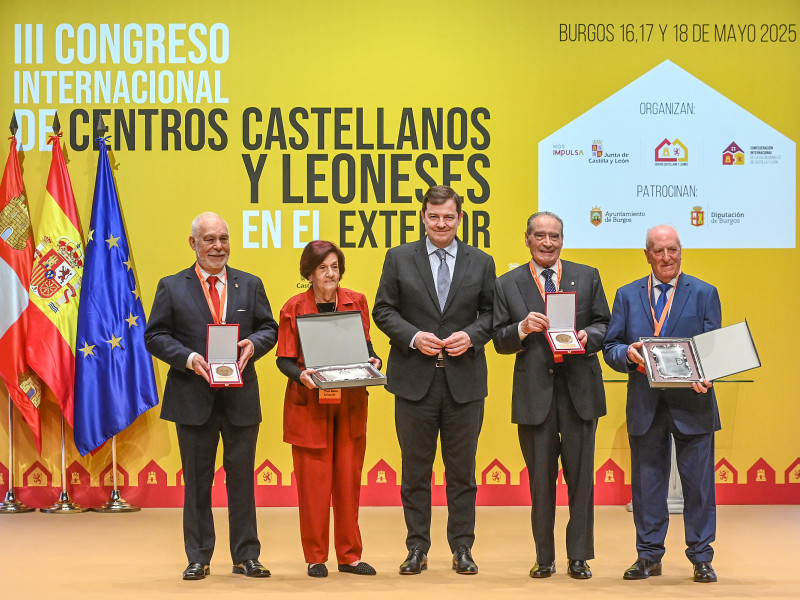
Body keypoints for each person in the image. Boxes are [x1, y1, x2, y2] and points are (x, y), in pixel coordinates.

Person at [145, 212, 278, 581]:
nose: (218, 246)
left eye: (223, 238)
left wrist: (253, 343)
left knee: (242, 482)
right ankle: (198, 557)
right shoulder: (171, 286)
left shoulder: (250, 284)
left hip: (240, 401)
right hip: (192, 399)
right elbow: (154, 336)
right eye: (209, 239)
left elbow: (270, 328)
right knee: (197, 483)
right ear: (193, 244)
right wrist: (188, 358)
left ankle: (246, 556)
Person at [373, 185, 495, 575]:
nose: (441, 223)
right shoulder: (398, 258)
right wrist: (412, 336)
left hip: (464, 383)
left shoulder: (482, 261)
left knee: (462, 472)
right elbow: (383, 310)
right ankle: (416, 548)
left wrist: (472, 336)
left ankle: (462, 548)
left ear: (459, 218)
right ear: (423, 217)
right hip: (413, 381)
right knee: (415, 471)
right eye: (433, 216)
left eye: (448, 216)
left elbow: (493, 314)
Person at [492, 212, 610, 580]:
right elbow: (498, 339)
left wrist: (590, 336)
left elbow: (606, 324)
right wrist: (521, 328)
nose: (547, 242)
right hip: (534, 396)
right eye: (540, 236)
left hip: (580, 392)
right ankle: (545, 557)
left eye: (554, 236)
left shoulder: (587, 276)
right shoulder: (507, 284)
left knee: (581, 481)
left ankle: (579, 556)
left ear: (563, 239)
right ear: (526, 238)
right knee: (540, 482)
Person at [603, 224, 721, 584]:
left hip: (693, 404)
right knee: (647, 484)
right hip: (646, 403)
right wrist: (629, 354)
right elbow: (611, 348)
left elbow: (712, 348)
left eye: (673, 249)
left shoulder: (704, 293)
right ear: (647, 254)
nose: (667, 257)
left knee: (699, 486)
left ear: (681, 250)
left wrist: (710, 371)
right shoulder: (626, 295)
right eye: (659, 251)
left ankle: (701, 558)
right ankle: (648, 556)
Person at [276, 240, 380, 578]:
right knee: (314, 486)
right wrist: (302, 375)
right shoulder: (293, 307)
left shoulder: (357, 301)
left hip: (348, 404)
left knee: (348, 483)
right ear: (309, 272)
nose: (330, 274)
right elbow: (285, 360)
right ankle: (316, 557)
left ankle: (350, 556)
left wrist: (373, 359)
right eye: (323, 268)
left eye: (335, 267)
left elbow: (364, 345)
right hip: (309, 405)